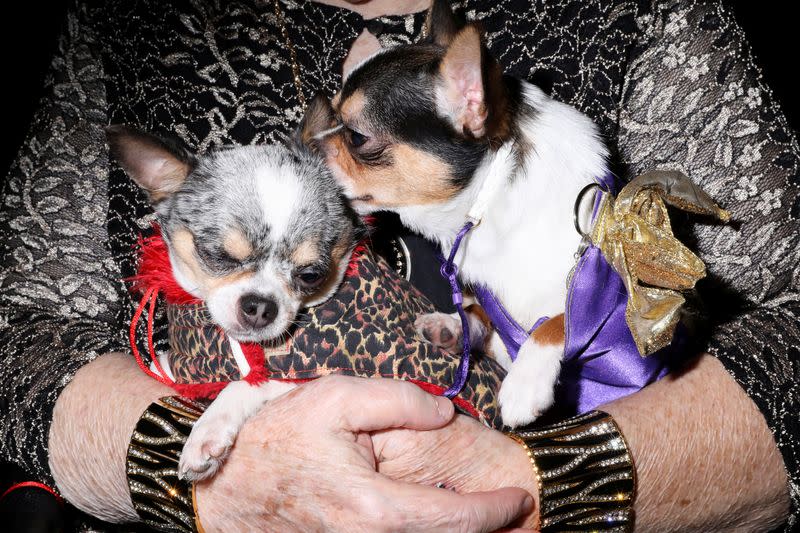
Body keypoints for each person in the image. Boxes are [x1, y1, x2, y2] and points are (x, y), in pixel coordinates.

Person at [1, 0, 796, 530]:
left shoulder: (641, 15)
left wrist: (538, 484)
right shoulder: (127, 23)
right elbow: (19, 331)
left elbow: (791, 325)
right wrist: (200, 481)